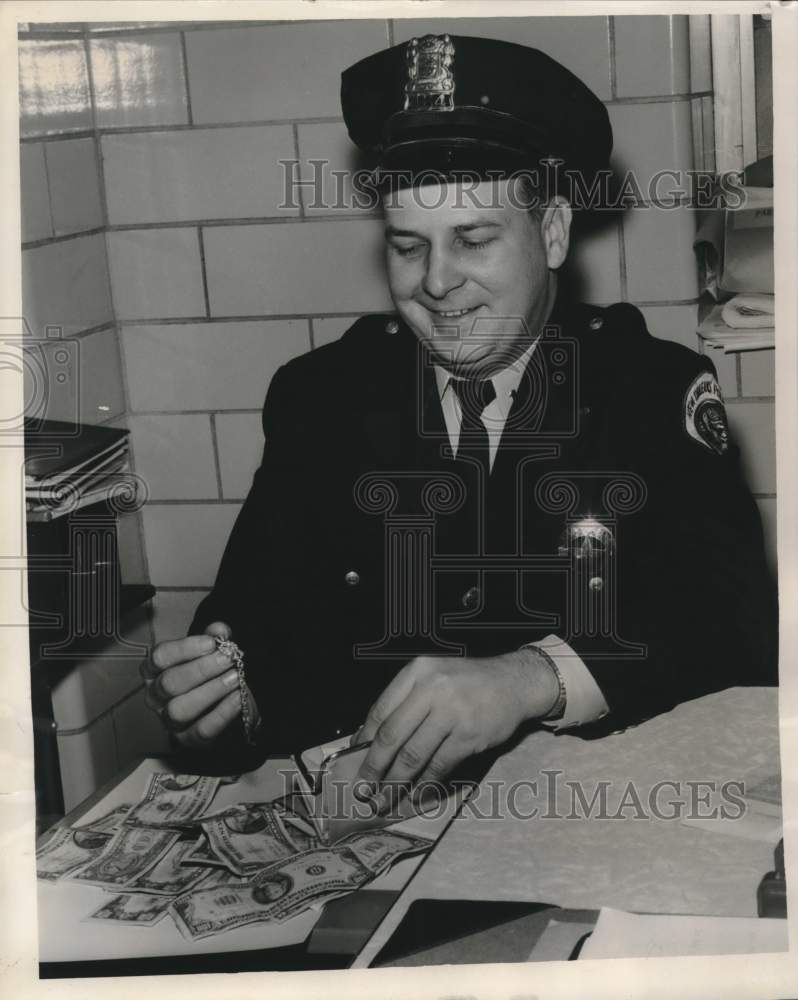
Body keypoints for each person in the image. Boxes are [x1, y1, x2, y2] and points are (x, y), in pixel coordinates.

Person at [142, 35, 777, 802]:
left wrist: (532, 677)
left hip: (574, 828)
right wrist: (221, 699)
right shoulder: (322, 397)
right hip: (366, 837)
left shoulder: (647, 389)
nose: (437, 282)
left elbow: (734, 632)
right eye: (408, 247)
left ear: (551, 233)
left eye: (473, 239)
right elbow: (252, 629)